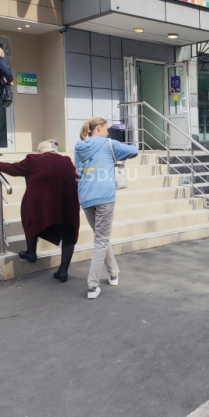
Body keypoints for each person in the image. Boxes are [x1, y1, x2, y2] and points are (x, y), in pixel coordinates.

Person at [0, 140, 81, 282]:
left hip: (42, 206)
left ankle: (31, 253)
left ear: (40, 151)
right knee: (69, 235)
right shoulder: (66, 160)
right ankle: (63, 271)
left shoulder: (34, 159)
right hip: (66, 206)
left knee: (30, 218)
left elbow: (14, 169)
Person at [74, 117, 138, 299]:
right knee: (101, 240)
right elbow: (134, 151)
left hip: (86, 197)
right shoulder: (109, 144)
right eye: (106, 128)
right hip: (104, 197)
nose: (108, 132)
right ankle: (92, 285)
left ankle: (113, 273)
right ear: (99, 128)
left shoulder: (79, 147)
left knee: (101, 237)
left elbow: (77, 170)